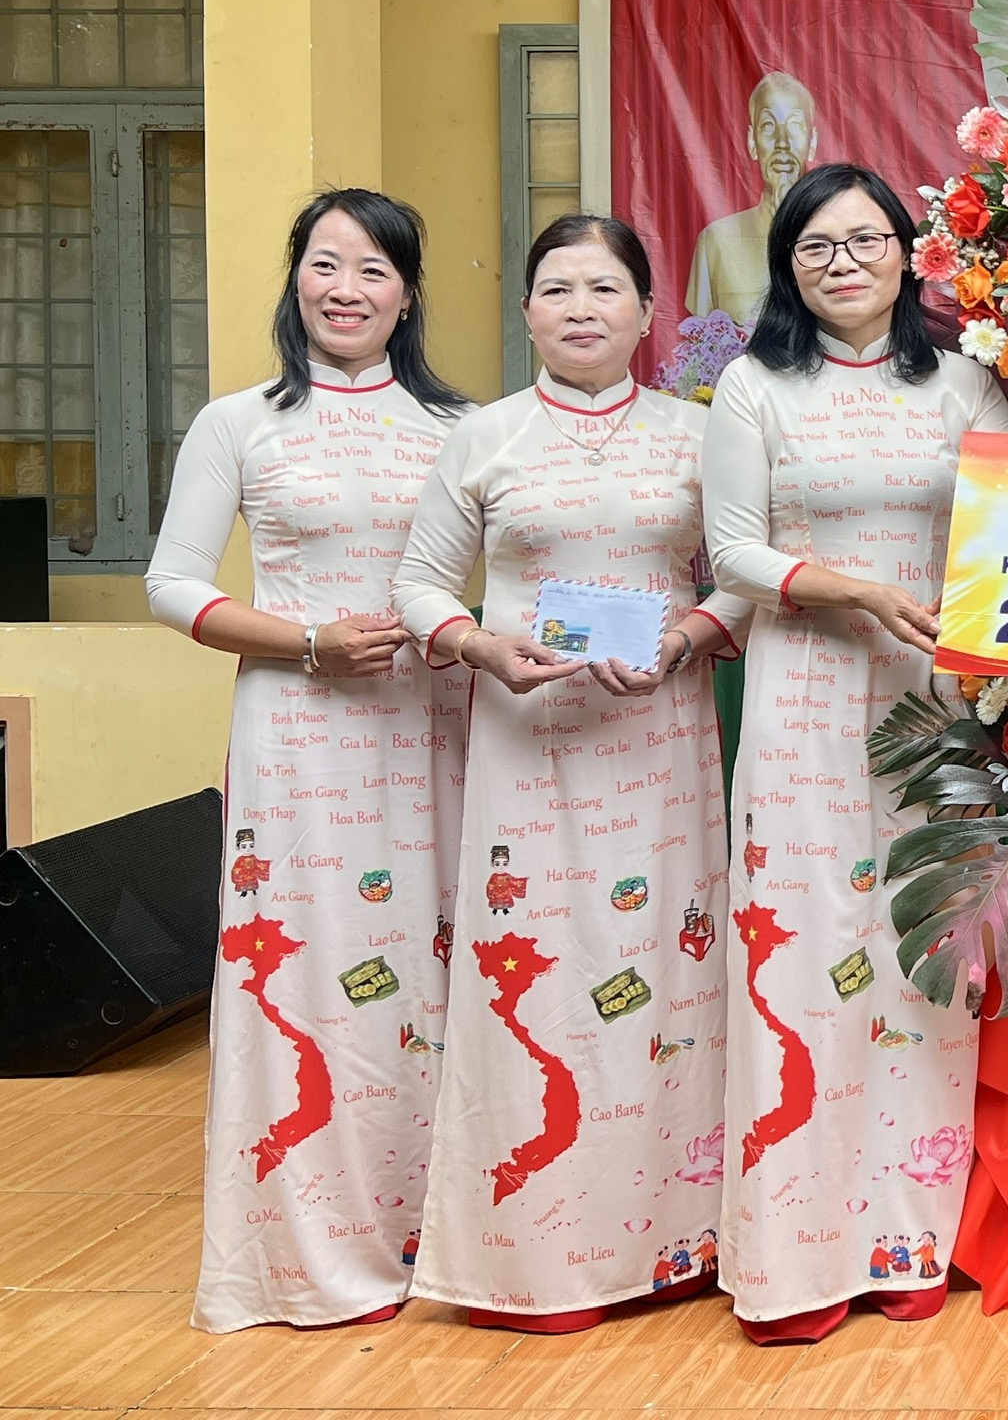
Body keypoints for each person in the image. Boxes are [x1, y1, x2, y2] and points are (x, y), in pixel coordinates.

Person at [393, 214, 750, 1335]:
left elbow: (745, 577)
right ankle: (534, 1256)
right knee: (535, 978)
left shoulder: (703, 435)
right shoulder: (483, 436)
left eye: (605, 288)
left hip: (660, 741)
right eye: (557, 288)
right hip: (526, 741)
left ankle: (673, 1239)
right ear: (527, 312)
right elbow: (419, 584)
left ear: (649, 314)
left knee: (666, 972)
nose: (581, 308)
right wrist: (478, 646)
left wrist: (688, 638)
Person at [146, 189, 475, 1333]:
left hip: (435, 725)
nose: (348, 288)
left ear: (408, 294)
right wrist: (308, 641)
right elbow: (172, 582)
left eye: (375, 268)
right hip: (297, 732)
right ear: (295, 277)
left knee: (432, 971)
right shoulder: (238, 422)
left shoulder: (462, 425)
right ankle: (298, 1254)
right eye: (327, 263)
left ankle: (443, 1238)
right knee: (303, 978)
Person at [702, 160, 1008, 1342]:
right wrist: (851, 589)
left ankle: (905, 1237)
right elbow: (732, 550)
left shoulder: (964, 382)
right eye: (816, 246)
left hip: (938, 702)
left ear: (907, 252)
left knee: (924, 956)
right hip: (803, 697)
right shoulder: (752, 386)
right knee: (797, 956)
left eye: (865, 239)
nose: (843, 263)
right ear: (786, 265)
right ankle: (792, 1252)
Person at [686, 71, 820, 325]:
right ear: (752, 142)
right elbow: (701, 338)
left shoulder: (837, 241)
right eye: (769, 126)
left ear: (812, 143)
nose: (782, 143)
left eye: (795, 126)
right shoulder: (715, 241)